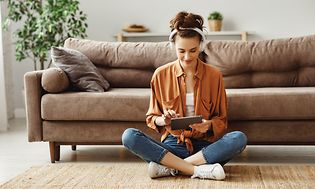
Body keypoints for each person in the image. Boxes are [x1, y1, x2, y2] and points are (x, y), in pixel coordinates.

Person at [122, 11, 247, 180]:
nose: (187, 57)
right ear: (173, 46)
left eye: (193, 50)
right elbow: (152, 117)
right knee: (129, 136)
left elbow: (222, 120)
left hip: (205, 148)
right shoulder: (160, 75)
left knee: (238, 138)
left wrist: (208, 125)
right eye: (181, 51)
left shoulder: (214, 76)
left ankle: (171, 168)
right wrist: (163, 120)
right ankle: (198, 170)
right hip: (173, 145)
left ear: (201, 46)